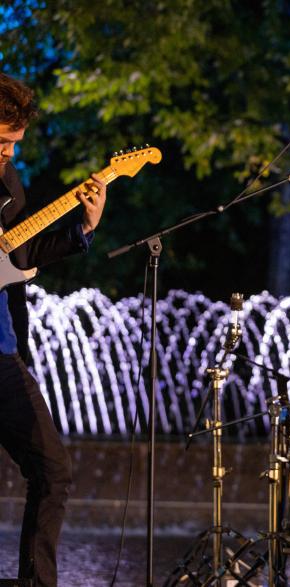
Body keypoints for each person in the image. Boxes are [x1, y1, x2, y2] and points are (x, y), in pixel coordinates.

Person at [0, 72, 107, 586]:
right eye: (0, 142)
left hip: (0, 353)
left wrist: (82, 228)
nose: (9, 155)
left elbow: (19, 256)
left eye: (14, 144)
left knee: (53, 471)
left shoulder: (7, 182)